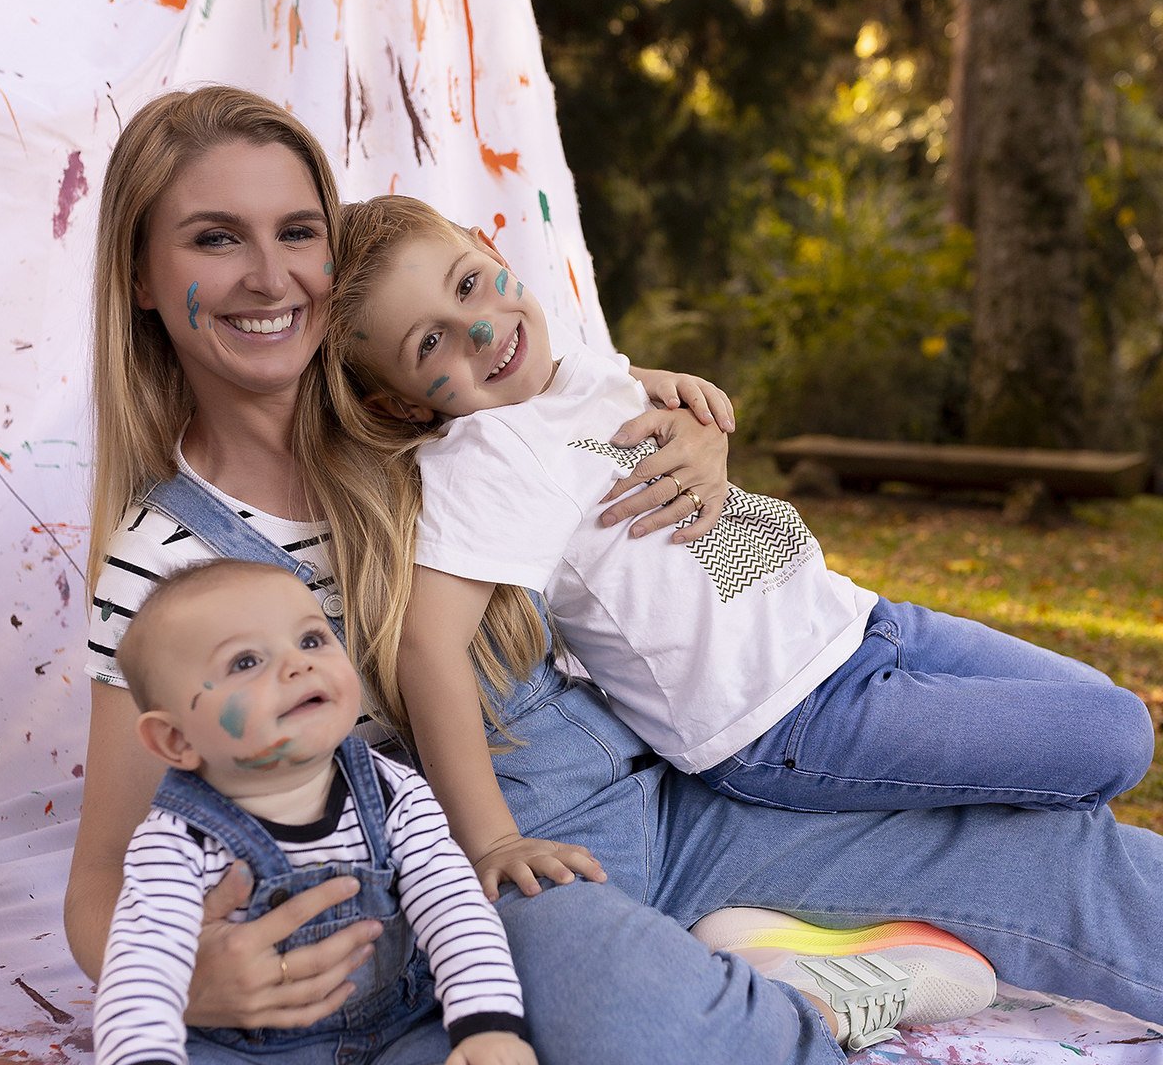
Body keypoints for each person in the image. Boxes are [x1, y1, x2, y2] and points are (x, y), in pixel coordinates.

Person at [66, 85, 1163, 1065]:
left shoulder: (417, 411)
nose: (269, 274)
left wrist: (694, 444)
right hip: (503, 879)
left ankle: (757, 931)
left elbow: (587, 420)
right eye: (215, 239)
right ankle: (812, 995)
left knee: (1043, 852)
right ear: (145, 281)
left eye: (295, 232)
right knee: (635, 1046)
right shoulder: (163, 557)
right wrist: (188, 991)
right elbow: (98, 883)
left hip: (676, 784)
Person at [323, 195, 1154, 919]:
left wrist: (691, 406)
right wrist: (492, 838)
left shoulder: (572, 370)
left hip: (864, 625)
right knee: (1113, 738)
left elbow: (625, 420)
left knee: (1097, 713)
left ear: (490, 244)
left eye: (469, 282)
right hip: (788, 715)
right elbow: (424, 648)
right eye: (430, 345)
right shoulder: (483, 450)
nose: (475, 327)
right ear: (401, 402)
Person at [93, 557, 573, 1065]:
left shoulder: (390, 787)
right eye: (247, 661)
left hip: (390, 1031)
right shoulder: (176, 840)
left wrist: (486, 1021)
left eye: (313, 640)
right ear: (176, 742)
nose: (295, 665)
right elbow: (144, 960)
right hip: (249, 1051)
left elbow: (452, 905)